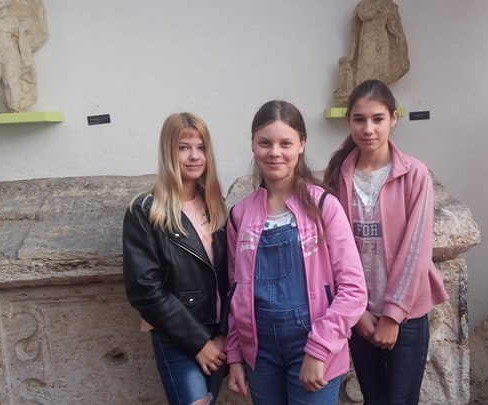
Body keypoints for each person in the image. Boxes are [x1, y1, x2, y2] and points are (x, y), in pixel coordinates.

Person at [225, 100, 367, 404]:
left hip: (313, 347)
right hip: (259, 352)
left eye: (285, 143)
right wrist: (235, 354)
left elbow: (354, 289)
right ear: (253, 144)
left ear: (301, 144)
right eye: (265, 143)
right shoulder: (239, 215)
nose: (274, 152)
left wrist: (319, 348)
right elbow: (235, 291)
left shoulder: (323, 207)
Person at [323, 79, 450, 405]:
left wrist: (393, 316)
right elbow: (334, 252)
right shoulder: (338, 177)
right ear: (349, 121)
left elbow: (416, 251)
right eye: (359, 119)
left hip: (406, 316)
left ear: (393, 119)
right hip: (360, 314)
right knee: (374, 399)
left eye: (377, 118)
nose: (368, 129)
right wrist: (358, 312)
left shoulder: (415, 175)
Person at [122, 112, 228, 405]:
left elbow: (230, 275)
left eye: (201, 147)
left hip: (217, 335)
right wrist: (199, 343)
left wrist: (223, 334)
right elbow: (144, 290)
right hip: (177, 336)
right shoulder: (145, 211)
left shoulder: (215, 205)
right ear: (168, 152)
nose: (194, 156)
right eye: (183, 148)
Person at [0, 0, 48, 112]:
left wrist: (24, 30)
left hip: (10, 52)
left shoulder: (12, 20)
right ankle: (11, 106)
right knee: (1, 81)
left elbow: (23, 35)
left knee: (11, 81)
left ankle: (15, 107)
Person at [333, 0, 409, 106]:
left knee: (380, 68)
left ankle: (378, 96)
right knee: (365, 66)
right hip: (367, 39)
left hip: (381, 40)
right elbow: (363, 15)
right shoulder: (364, 4)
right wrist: (375, 7)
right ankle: (363, 97)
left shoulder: (387, 3)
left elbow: (394, 25)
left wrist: (401, 45)